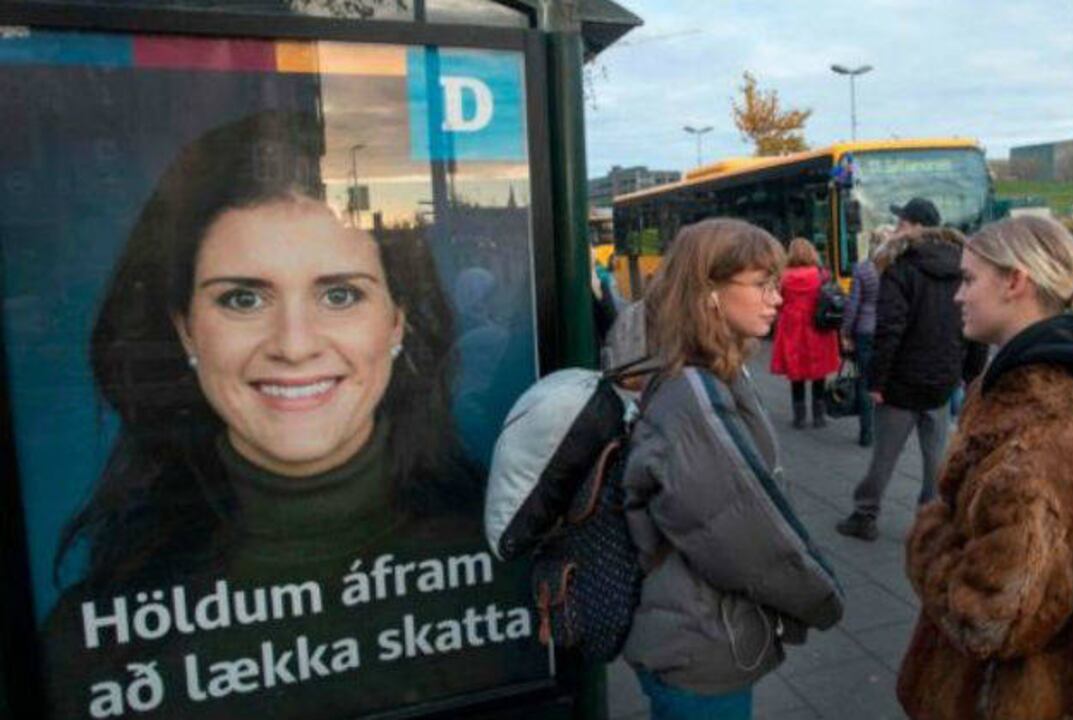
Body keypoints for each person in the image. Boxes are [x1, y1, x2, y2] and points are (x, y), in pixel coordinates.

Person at [42, 111, 545, 719]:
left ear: (397, 323)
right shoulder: (98, 644)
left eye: (340, 294)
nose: (295, 344)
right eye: (243, 298)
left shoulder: (511, 569)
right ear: (185, 330)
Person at [898, 216, 1073, 719]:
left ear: (1015, 281)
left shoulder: (1040, 427)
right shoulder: (1067, 385)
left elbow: (992, 617)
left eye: (969, 279)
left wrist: (928, 536)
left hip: (1023, 700)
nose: (958, 295)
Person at [623, 218, 844, 720]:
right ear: (709, 293)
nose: (776, 298)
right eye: (762, 284)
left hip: (690, 628)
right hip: (699, 642)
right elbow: (744, 533)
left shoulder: (705, 373)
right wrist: (822, 599)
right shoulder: (693, 394)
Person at [837, 203, 987, 541]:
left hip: (901, 383)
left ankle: (865, 515)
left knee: (884, 455)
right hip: (943, 380)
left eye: (901, 222)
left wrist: (876, 381)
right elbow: (975, 325)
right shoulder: (964, 267)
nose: (897, 228)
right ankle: (930, 519)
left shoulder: (900, 267)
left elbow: (889, 329)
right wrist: (971, 374)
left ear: (914, 226)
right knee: (936, 457)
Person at [770, 237, 841, 428]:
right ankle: (819, 417)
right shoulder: (821, 275)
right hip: (817, 326)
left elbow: (778, 303)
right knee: (819, 372)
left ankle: (799, 418)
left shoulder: (784, 277)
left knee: (797, 372)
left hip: (792, 327)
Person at [840, 228, 886, 446]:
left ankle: (866, 433)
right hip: (890, 332)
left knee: (865, 381)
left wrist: (846, 332)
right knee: (887, 382)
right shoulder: (897, 268)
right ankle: (889, 433)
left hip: (865, 331)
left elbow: (853, 305)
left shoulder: (863, 269)